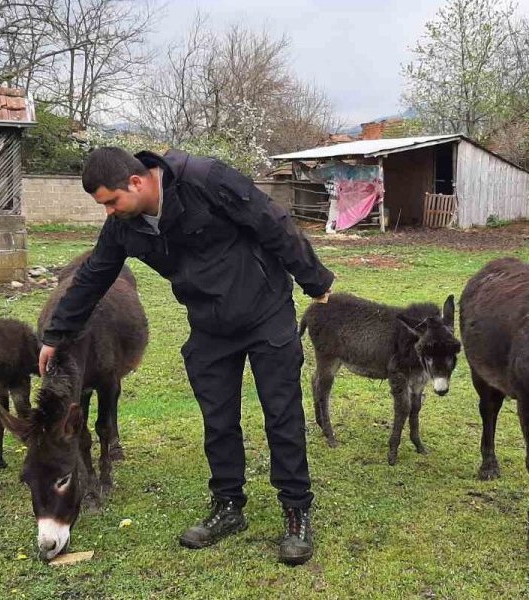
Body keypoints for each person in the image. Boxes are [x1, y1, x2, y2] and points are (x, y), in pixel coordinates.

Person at [39, 147, 334, 566]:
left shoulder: (205, 180)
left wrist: (314, 279)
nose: (108, 212)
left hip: (265, 309)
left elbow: (272, 221)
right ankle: (228, 506)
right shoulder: (124, 226)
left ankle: (296, 512)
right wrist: (56, 334)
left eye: (110, 201)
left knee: (281, 413)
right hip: (210, 322)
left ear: (136, 182)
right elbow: (92, 278)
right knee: (218, 419)